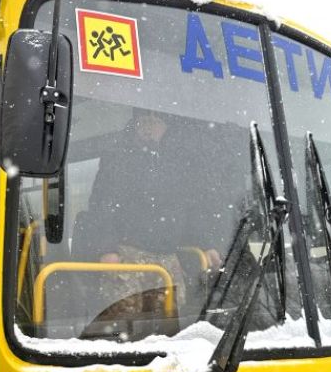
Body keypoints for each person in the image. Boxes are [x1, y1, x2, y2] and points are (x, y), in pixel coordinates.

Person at [77, 109, 226, 322]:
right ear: (135, 124)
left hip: (167, 258)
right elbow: (102, 206)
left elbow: (189, 209)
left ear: (165, 128)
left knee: (169, 326)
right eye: (144, 120)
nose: (150, 127)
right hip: (127, 257)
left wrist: (206, 244)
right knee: (125, 323)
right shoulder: (118, 158)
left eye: (156, 121)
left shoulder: (176, 163)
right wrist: (107, 249)